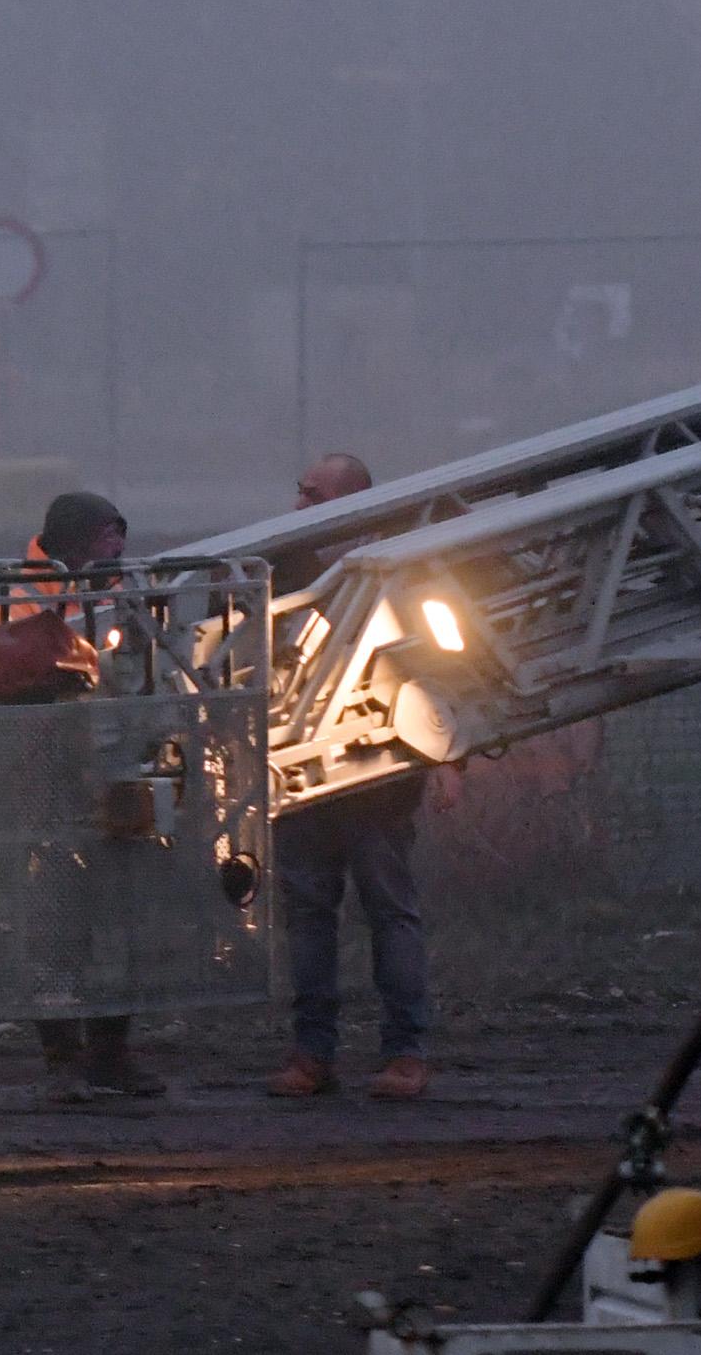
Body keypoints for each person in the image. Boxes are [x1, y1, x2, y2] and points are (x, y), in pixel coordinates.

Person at [0, 491, 165, 1104]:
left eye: (119, 538)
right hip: (42, 788)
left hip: (110, 779)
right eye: (104, 540)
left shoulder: (116, 597)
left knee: (121, 920)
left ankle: (111, 1052)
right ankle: (64, 1058)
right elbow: (2, 695)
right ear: (72, 541)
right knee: (53, 927)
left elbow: (144, 679)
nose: (115, 552)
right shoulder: (14, 602)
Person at [265, 453, 432, 1100]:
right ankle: (313, 1055)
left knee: (388, 911)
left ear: (354, 501)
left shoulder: (400, 569)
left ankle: (406, 1054)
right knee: (310, 917)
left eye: (314, 494)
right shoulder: (285, 566)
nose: (301, 504)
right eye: (300, 491)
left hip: (378, 775)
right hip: (303, 772)